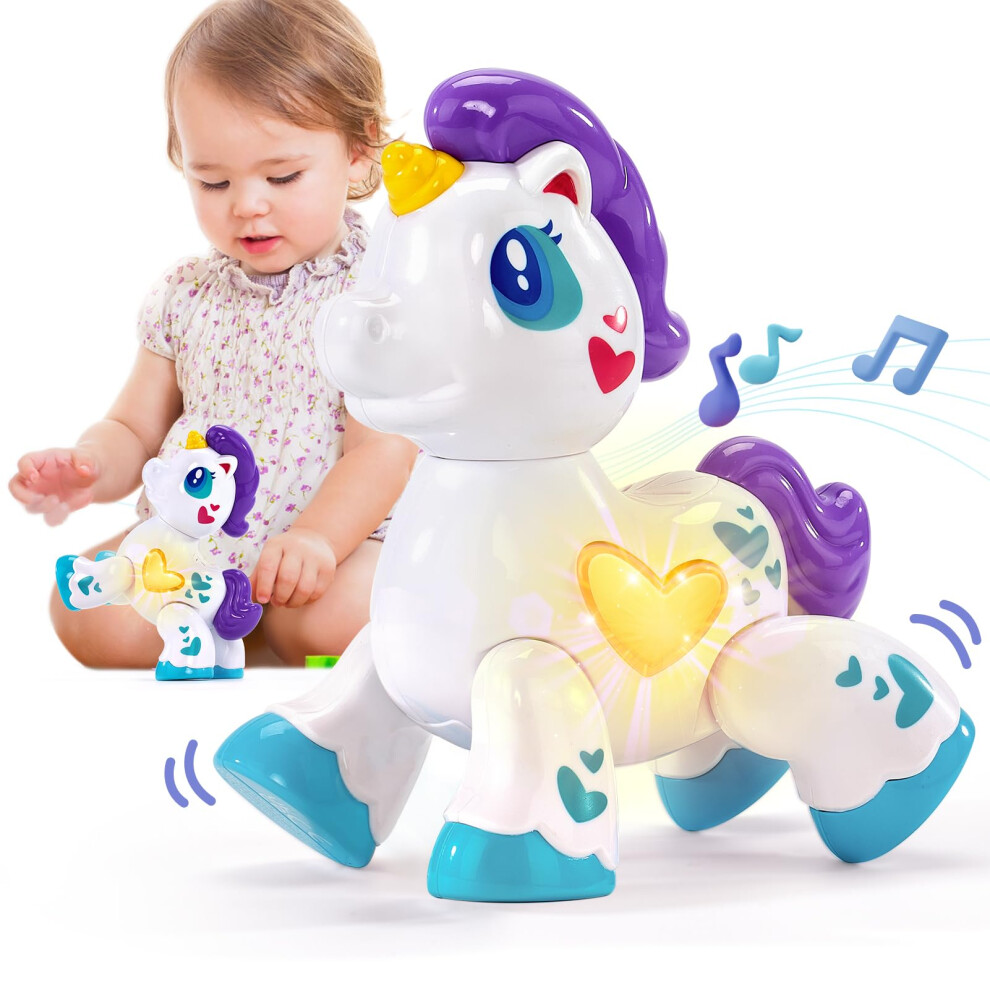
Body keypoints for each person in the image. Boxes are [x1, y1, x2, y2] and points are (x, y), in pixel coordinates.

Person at [8, 0, 417, 667]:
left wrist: (316, 540)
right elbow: (134, 428)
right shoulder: (188, 295)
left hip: (334, 546)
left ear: (358, 150)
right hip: (195, 549)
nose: (246, 204)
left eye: (282, 176)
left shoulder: (372, 295)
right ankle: (223, 620)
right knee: (86, 614)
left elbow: (384, 452)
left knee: (327, 621)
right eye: (213, 180)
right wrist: (90, 466)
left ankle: (268, 626)